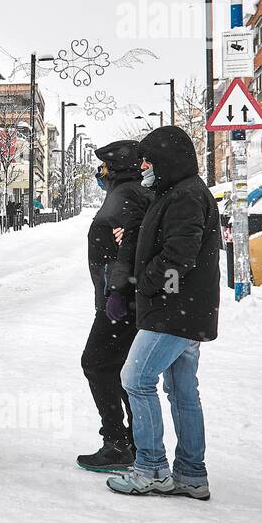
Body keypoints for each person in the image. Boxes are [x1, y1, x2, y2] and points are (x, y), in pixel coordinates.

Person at [105, 126, 220, 501]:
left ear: (166, 160)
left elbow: (178, 258)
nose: (143, 167)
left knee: (135, 378)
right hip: (188, 311)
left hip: (174, 312)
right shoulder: (178, 192)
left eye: (148, 160)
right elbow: (169, 243)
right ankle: (190, 474)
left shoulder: (185, 196)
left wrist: (148, 284)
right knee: (182, 391)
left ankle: (152, 468)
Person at [76, 140, 150, 472]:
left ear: (114, 168)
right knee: (118, 370)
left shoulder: (126, 197)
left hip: (119, 302)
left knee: (97, 364)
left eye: (103, 167)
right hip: (121, 299)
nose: (99, 173)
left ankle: (120, 443)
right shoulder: (127, 195)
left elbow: (128, 248)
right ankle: (133, 441)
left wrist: (117, 293)